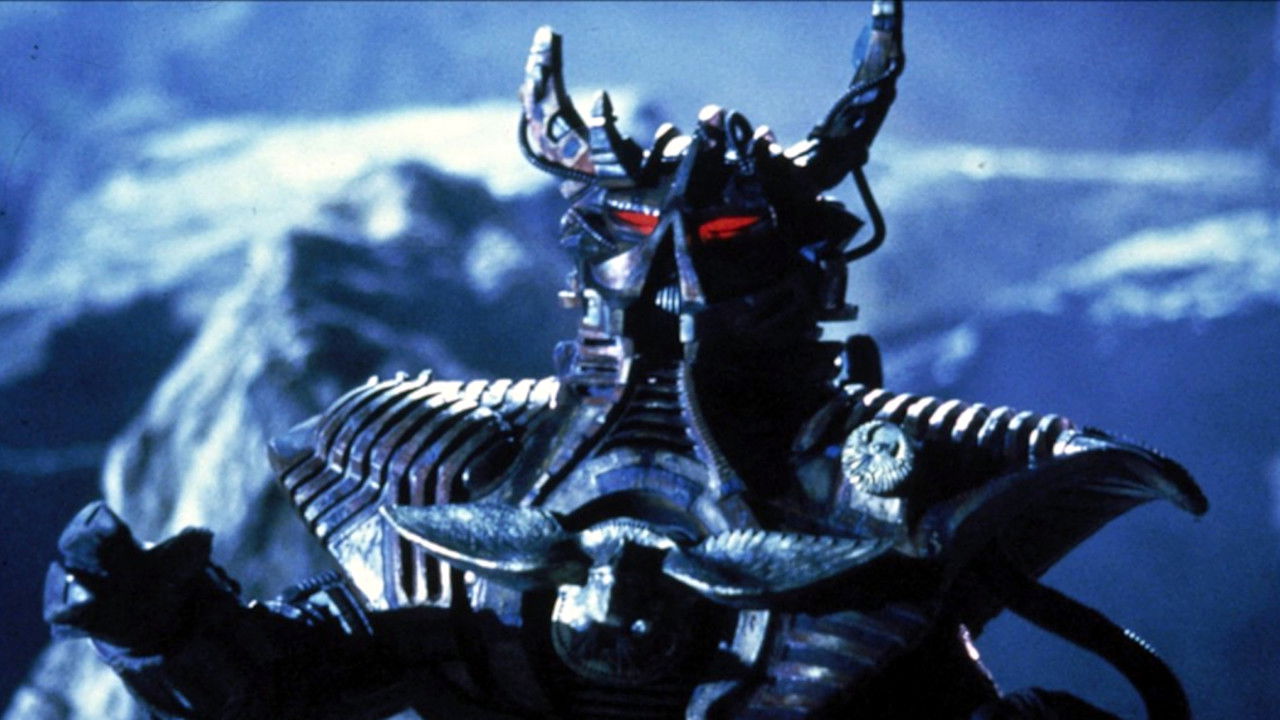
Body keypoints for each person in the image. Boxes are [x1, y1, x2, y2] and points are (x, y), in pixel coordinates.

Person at [44, 2, 1206, 718]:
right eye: (646, 239)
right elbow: (310, 671)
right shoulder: (450, 457)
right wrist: (165, 633)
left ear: (805, 267)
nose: (677, 285)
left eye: (725, 240)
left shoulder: (918, 474)